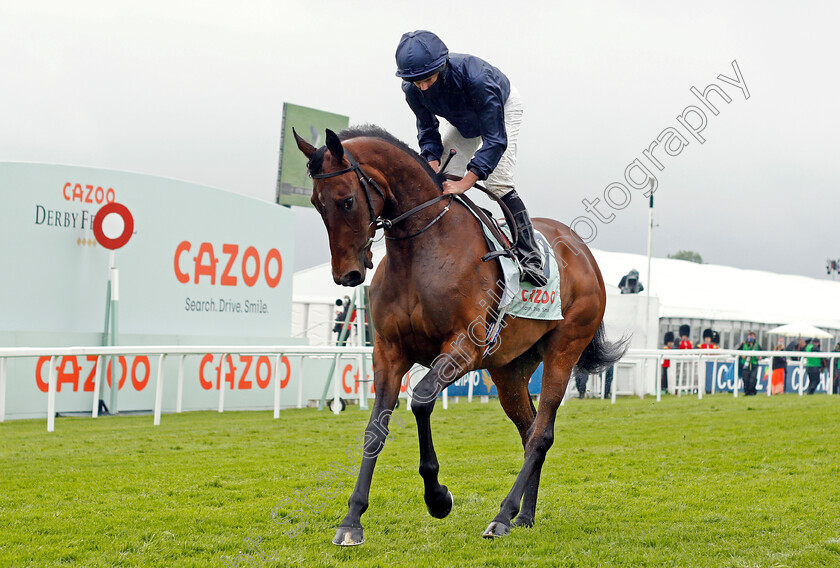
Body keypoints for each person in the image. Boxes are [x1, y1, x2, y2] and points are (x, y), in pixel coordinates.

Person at [395, 30, 547, 287]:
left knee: (497, 183)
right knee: (438, 178)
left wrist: (466, 182)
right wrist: (431, 161)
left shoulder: (477, 78)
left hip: (502, 109)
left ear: (442, 67)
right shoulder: (412, 88)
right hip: (465, 122)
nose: (422, 87)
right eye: (416, 82)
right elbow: (427, 129)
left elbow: (495, 139)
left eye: (428, 79)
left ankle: (531, 255)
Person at [737, 331, 762, 396]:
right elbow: (737, 351)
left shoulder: (757, 345)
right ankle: (747, 392)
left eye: (752, 336)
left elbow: (762, 353)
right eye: (750, 336)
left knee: (753, 379)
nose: (751, 337)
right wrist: (741, 355)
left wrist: (760, 357)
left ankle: (752, 392)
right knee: (745, 379)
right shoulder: (743, 344)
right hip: (745, 364)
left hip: (754, 364)